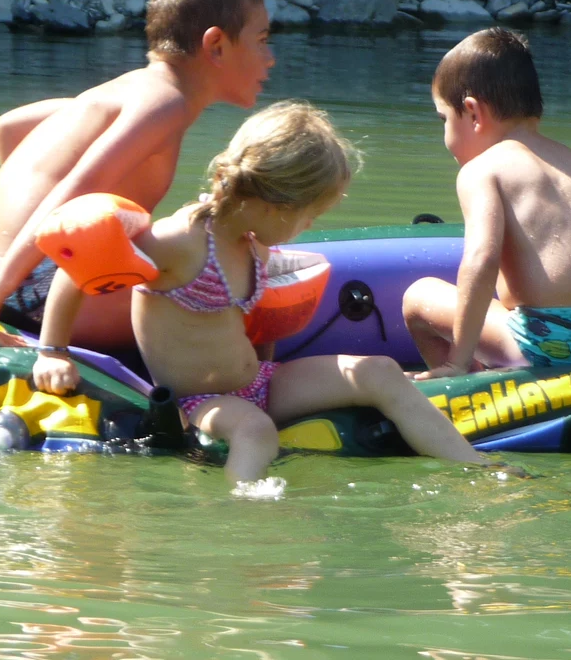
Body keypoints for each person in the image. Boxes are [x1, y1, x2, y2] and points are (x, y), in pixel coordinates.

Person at [29, 101, 488, 486]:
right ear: (273, 204)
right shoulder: (179, 243)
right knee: (255, 431)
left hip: (262, 380)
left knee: (380, 370)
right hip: (201, 401)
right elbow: (76, 271)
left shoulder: (252, 244)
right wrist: (52, 351)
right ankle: (243, 511)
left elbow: (255, 322)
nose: (309, 227)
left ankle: (478, 469)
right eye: (308, 216)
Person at [0, 0, 275, 348]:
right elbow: (77, 186)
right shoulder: (165, 103)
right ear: (216, 45)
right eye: (262, 40)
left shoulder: (124, 92)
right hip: (26, 291)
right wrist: (3, 284)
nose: (270, 58)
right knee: (222, 270)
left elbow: (8, 127)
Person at [401, 28, 571, 379]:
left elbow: (482, 260)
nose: (445, 134)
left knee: (419, 297)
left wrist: (457, 359)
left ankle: (460, 379)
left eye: (444, 119)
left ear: (473, 113)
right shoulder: (568, 158)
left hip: (559, 343)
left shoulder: (482, 171)